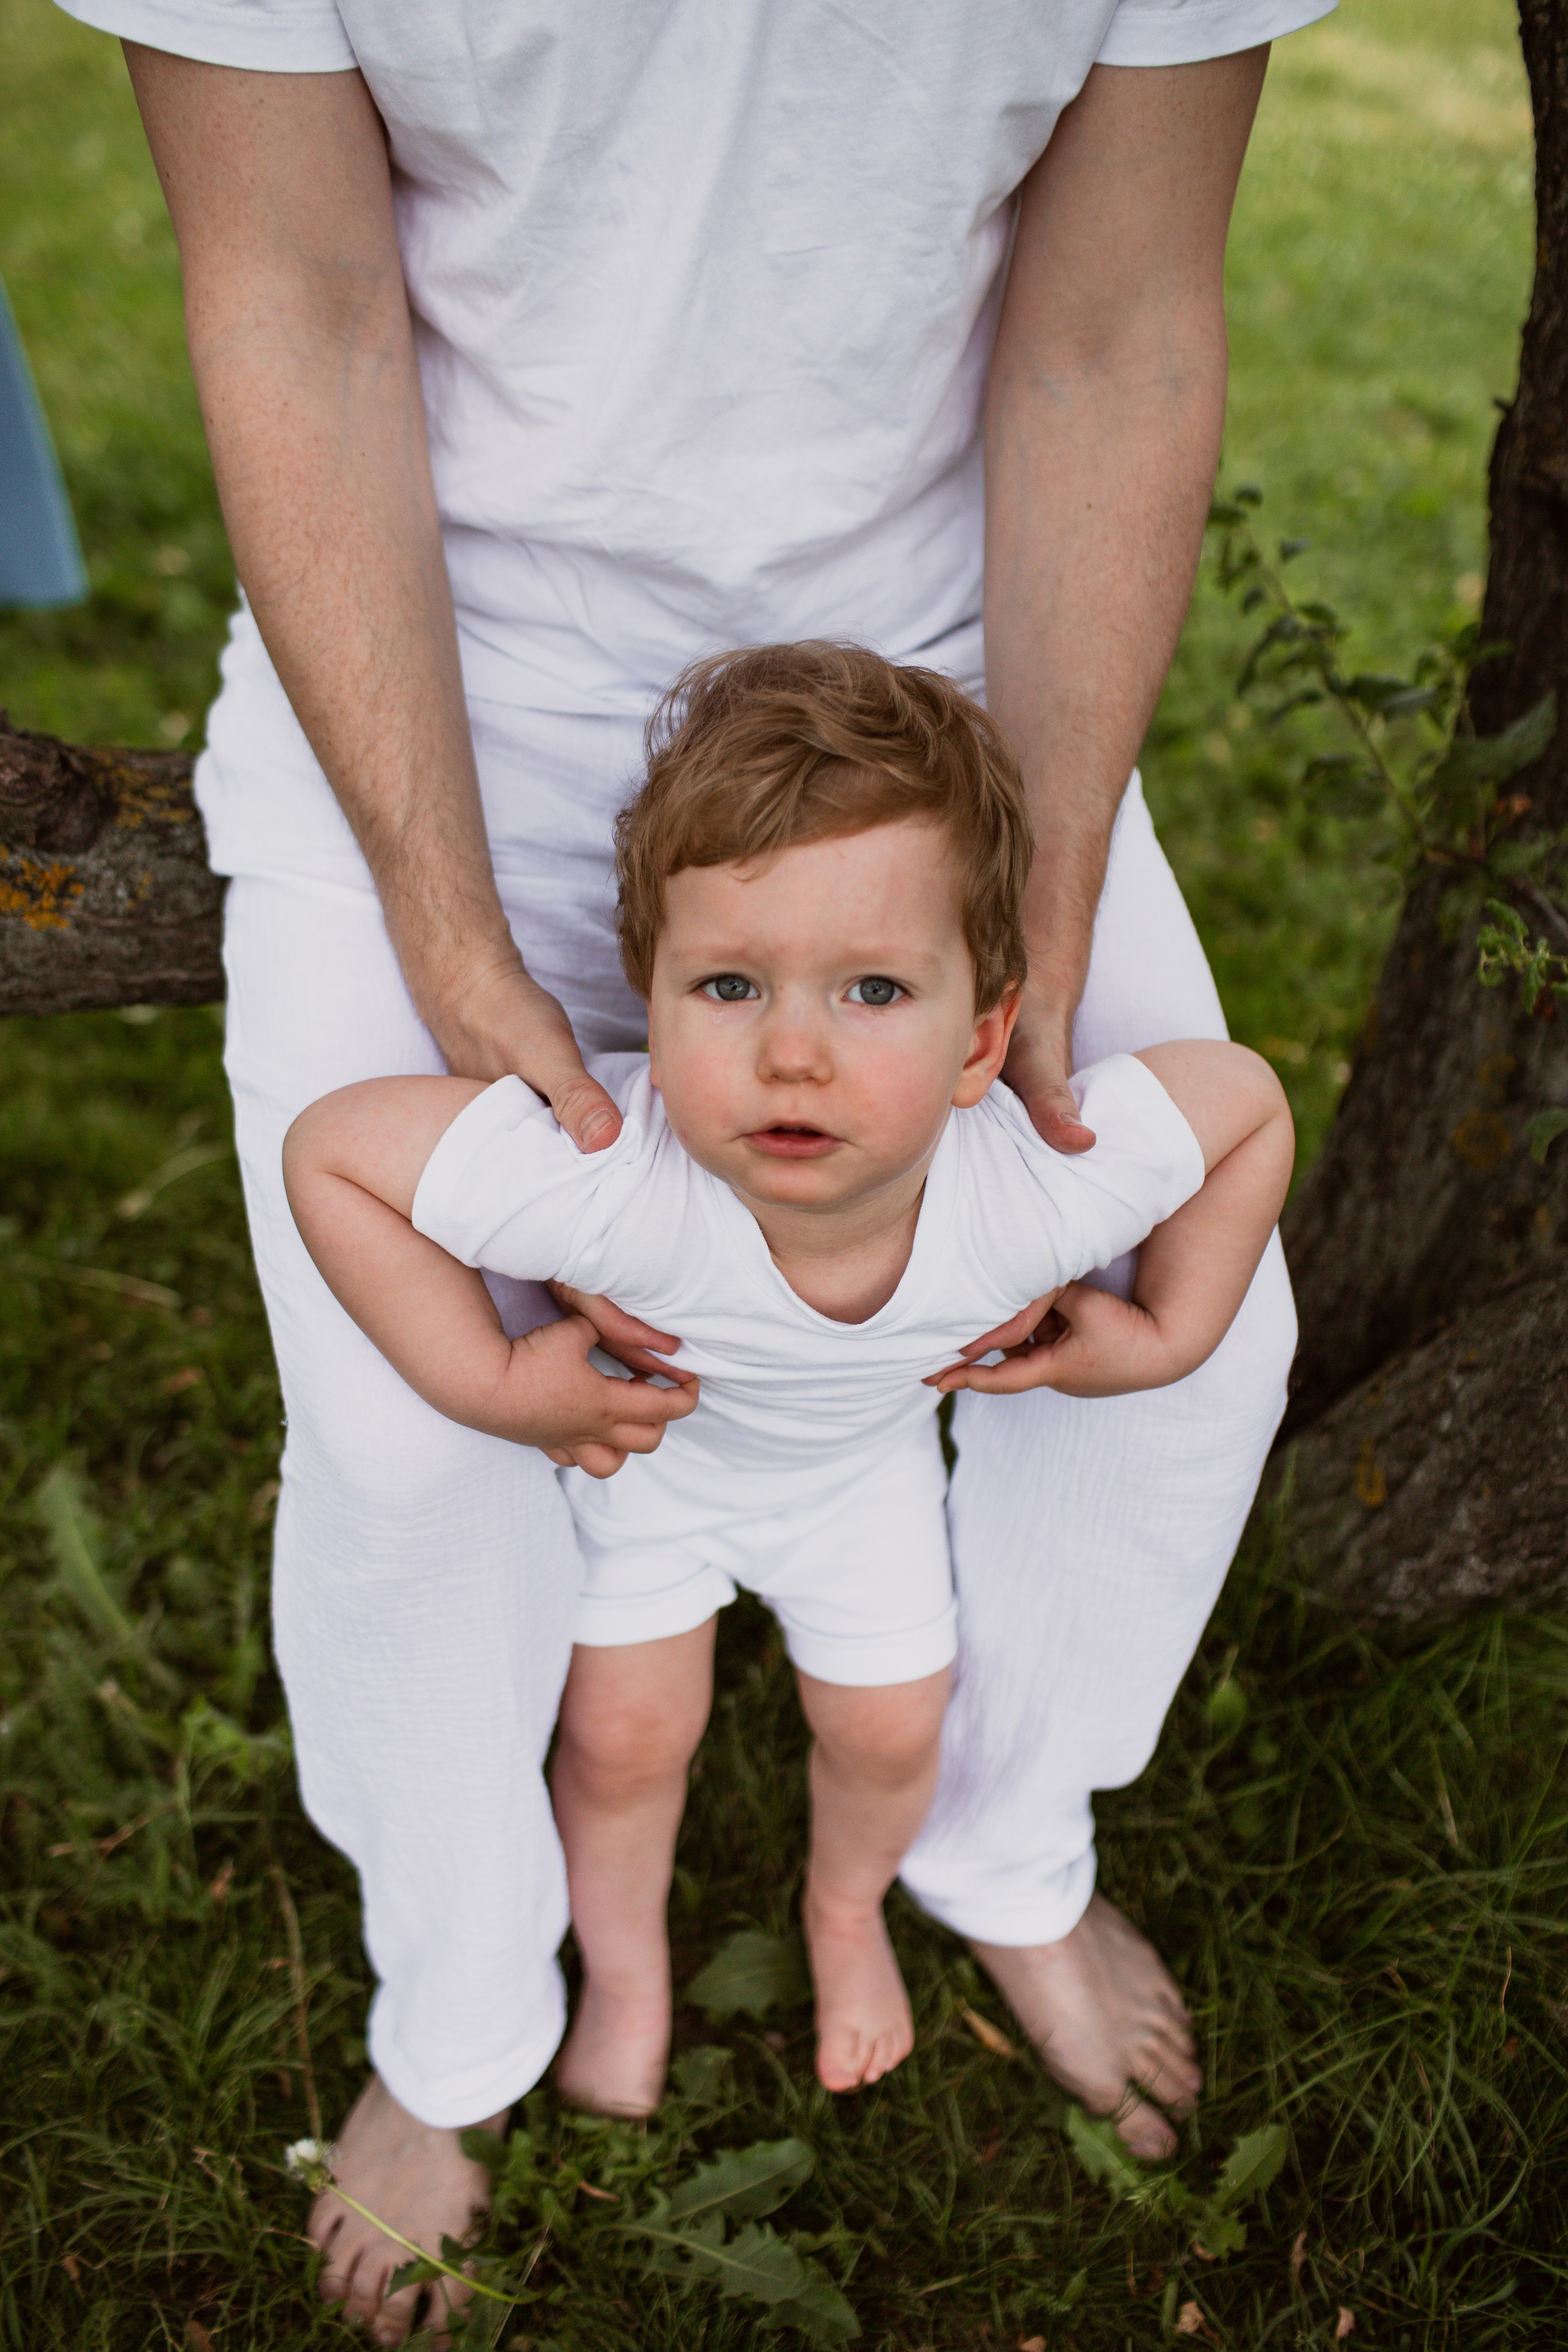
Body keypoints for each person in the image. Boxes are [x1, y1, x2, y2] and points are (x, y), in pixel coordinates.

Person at [54, 0, 1333, 2336]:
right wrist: (446, 923)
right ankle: (458, 2011)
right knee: (397, 1428)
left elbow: (1115, 331)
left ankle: (1000, 1841)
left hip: (943, 690)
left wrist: (1026, 908)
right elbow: (298, 303)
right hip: (457, 665)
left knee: (1207, 1349)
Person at [284, 644, 1295, 2114]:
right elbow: (330, 1153)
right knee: (625, 1741)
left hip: (857, 1488)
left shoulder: (1026, 1194)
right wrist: (492, 1386)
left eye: (874, 988)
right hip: (652, 1479)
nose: (793, 1053)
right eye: (729, 986)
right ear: (653, 995)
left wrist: (1168, 1337)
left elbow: (1248, 1108)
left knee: (892, 1733)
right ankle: (625, 1972)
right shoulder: (609, 1184)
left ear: (983, 1039)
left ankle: (844, 1912)